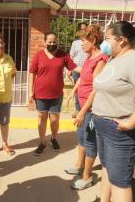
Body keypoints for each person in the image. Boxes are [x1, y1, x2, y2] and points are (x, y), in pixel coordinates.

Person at [92, 21, 135, 202]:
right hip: (103, 125)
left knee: (119, 182)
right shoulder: (114, 59)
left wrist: (130, 123)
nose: (103, 43)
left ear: (121, 40)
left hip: (120, 131)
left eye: (107, 39)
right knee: (106, 168)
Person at [64, 25, 108, 190]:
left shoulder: (101, 60)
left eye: (84, 41)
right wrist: (72, 93)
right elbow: (83, 78)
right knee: (81, 136)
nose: (81, 44)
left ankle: (87, 176)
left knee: (89, 140)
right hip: (83, 105)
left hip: (91, 109)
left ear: (93, 41)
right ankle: (79, 165)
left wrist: (83, 111)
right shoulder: (89, 57)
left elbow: (96, 88)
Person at [29, 32, 77, 155]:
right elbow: (32, 73)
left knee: (54, 119)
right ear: (44, 42)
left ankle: (53, 138)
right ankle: (42, 142)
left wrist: (89, 68)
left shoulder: (63, 55)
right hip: (41, 93)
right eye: (49, 42)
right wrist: (31, 91)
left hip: (56, 94)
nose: (52, 44)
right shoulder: (39, 55)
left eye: (54, 42)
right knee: (42, 118)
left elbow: (74, 67)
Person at [69, 22, 88, 118]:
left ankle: (85, 110)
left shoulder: (90, 42)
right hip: (76, 70)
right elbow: (71, 56)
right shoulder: (75, 43)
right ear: (78, 31)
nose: (83, 31)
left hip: (88, 70)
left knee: (86, 90)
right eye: (81, 29)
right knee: (77, 90)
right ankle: (77, 110)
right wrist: (69, 70)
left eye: (85, 29)